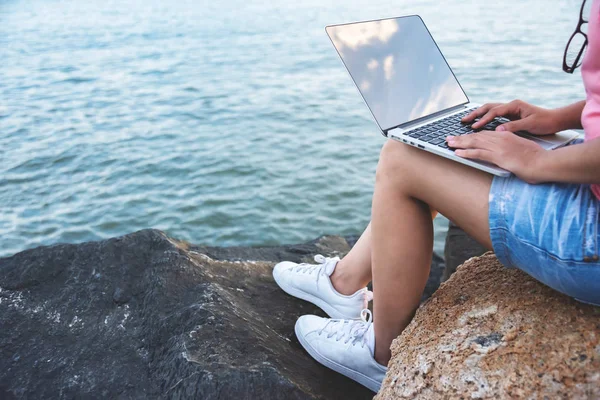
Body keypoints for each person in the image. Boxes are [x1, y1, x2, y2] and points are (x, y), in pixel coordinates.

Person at [272, 0, 600, 393]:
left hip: (589, 233)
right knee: (446, 147)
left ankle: (381, 355)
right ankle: (343, 284)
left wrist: (538, 162)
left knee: (402, 160)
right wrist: (560, 118)